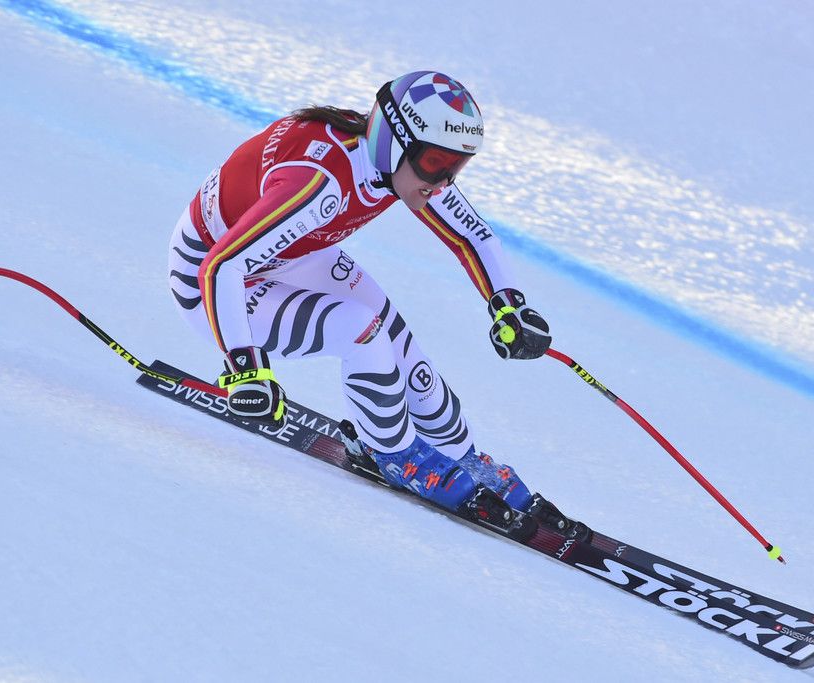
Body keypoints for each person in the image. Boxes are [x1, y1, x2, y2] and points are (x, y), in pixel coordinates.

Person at [167, 71, 554, 529]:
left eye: (457, 165)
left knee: (398, 340)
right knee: (359, 328)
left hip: (290, 253)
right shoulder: (321, 185)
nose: (442, 181)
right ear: (395, 141)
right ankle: (396, 454)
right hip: (213, 284)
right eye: (435, 162)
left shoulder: (395, 165)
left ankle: (461, 453)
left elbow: (472, 236)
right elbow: (221, 266)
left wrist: (508, 304)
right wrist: (246, 369)